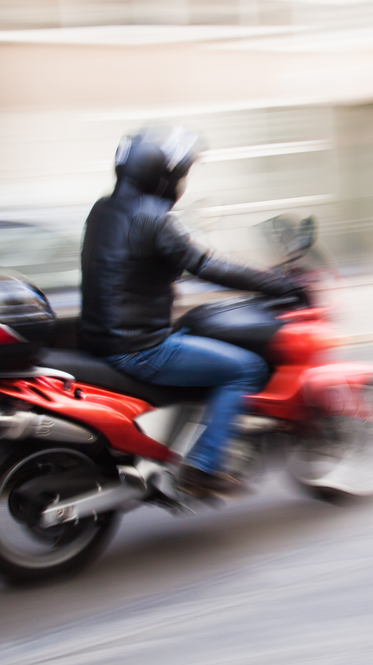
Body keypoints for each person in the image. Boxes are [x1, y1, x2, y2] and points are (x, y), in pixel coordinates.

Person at [79, 126, 301, 496]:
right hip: (140, 349)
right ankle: (204, 466)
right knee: (246, 368)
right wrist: (277, 283)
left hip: (99, 340)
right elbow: (207, 266)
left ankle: (175, 447)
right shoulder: (152, 217)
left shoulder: (103, 209)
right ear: (161, 176)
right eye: (179, 173)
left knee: (197, 346)